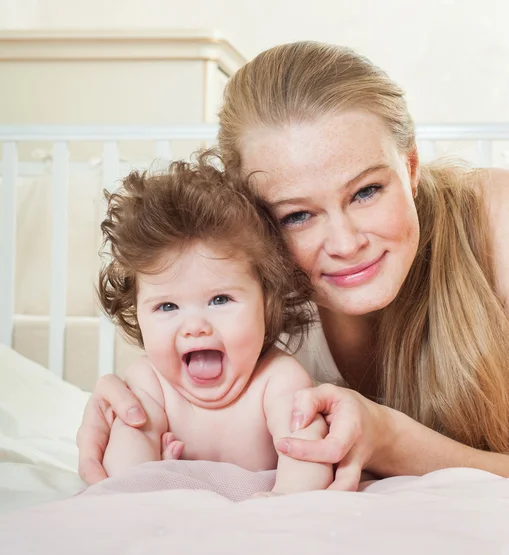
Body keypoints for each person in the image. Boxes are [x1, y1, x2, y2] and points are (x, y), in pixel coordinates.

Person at [77, 41, 509, 491]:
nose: (345, 243)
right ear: (253, 221)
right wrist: (129, 415)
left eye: (366, 191)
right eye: (297, 215)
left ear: (411, 168)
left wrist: (391, 440)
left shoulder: (498, 224)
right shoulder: (250, 302)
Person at [94, 155, 333, 494]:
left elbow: (307, 455)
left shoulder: (277, 380)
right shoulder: (151, 383)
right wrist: (146, 477)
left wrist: (283, 502)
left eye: (220, 300)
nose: (195, 326)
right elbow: (124, 475)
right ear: (136, 313)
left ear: (266, 302)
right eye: (166, 306)